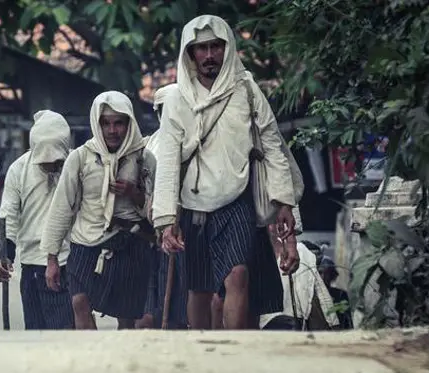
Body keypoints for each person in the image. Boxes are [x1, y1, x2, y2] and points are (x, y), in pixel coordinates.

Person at [152, 14, 299, 330]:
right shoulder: (176, 99)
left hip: (237, 201)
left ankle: (234, 353)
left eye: (215, 46)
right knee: (200, 289)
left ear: (227, 48)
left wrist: (284, 202)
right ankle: (203, 352)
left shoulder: (246, 89)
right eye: (201, 48)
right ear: (190, 54)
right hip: (192, 207)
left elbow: (272, 145)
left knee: (238, 274)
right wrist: (166, 220)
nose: (208, 55)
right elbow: (167, 161)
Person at [40, 91, 155, 330]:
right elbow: (62, 207)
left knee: (127, 317)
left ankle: (121, 364)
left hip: (131, 243)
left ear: (129, 123)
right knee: (79, 301)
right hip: (86, 243)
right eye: (106, 123)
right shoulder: (81, 157)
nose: (112, 130)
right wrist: (51, 259)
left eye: (118, 123)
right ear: (97, 123)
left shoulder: (145, 158)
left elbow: (158, 209)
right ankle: (91, 358)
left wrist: (134, 194)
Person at [0, 110, 75, 330]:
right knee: (34, 332)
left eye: (56, 161)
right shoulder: (18, 169)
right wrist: (4, 256)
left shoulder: (76, 165)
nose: (50, 166)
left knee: (64, 333)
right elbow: (8, 215)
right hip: (30, 263)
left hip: (67, 262)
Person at [136, 83, 189, 330]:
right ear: (158, 113)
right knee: (149, 312)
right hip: (152, 237)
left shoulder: (193, 141)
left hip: (186, 234)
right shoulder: (149, 147)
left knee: (181, 307)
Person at [258, 227, 340, 331]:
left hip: (293, 324)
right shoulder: (249, 255)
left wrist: (333, 326)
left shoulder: (302, 254)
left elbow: (323, 299)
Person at [319, 255, 353, 329]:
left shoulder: (340, 294)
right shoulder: (311, 295)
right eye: (320, 272)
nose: (323, 276)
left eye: (327, 273)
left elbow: (347, 321)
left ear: (332, 274)